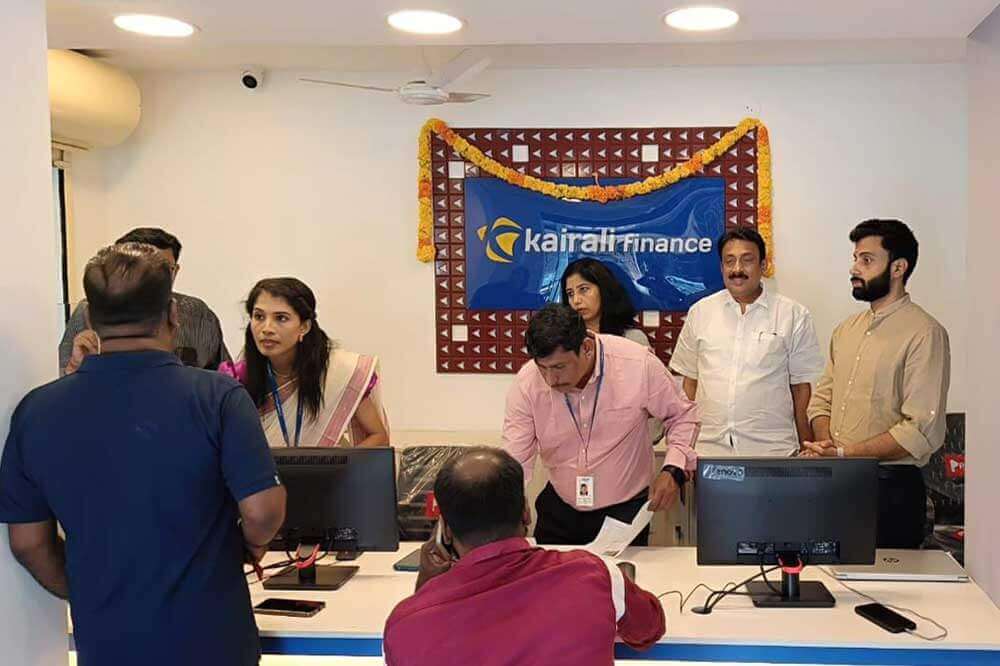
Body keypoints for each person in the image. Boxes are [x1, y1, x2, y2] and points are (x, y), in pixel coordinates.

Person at [0, 243, 286, 666]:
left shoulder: (35, 411)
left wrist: (89, 593)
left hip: (107, 643)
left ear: (91, 319)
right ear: (172, 314)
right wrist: (250, 545)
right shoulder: (217, 396)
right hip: (214, 640)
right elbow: (262, 512)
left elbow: (28, 543)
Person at [383, 448, 665, 665]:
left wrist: (427, 591)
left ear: (444, 529)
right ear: (527, 513)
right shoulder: (594, 574)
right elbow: (650, 628)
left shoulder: (403, 626)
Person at [805, 219, 950, 549]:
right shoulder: (846, 330)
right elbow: (821, 400)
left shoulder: (925, 333)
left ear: (898, 268)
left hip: (890, 491)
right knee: (829, 575)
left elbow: (919, 429)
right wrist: (828, 448)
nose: (854, 269)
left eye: (867, 260)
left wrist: (845, 454)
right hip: (835, 482)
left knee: (885, 582)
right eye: (856, 258)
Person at [503, 304, 699, 545]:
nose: (550, 379)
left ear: (586, 347)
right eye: (542, 368)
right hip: (560, 508)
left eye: (559, 367)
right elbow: (516, 453)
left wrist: (674, 470)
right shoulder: (527, 383)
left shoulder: (637, 364)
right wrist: (512, 500)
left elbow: (682, 415)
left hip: (624, 511)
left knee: (620, 571)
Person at [670, 228, 823, 456]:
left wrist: (806, 444)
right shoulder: (700, 312)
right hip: (708, 450)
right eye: (729, 261)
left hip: (771, 451)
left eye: (747, 260)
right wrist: (683, 446)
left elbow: (801, 387)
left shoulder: (792, 315)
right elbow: (690, 382)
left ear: (763, 265)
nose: (737, 269)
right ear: (721, 267)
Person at [219, 278, 389, 448]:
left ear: (304, 327)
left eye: (281, 318)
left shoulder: (339, 372)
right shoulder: (237, 378)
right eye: (259, 317)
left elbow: (379, 437)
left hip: (325, 466)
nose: (267, 328)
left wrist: (338, 464)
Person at [59, 227, 231, 374]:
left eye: (165, 269)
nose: (149, 279)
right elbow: (66, 376)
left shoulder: (198, 314)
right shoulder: (87, 312)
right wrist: (75, 367)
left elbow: (225, 373)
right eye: (133, 270)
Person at [561, 257, 651, 347]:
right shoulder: (562, 342)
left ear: (604, 290)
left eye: (583, 289)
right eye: (570, 293)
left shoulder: (633, 339)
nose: (576, 300)